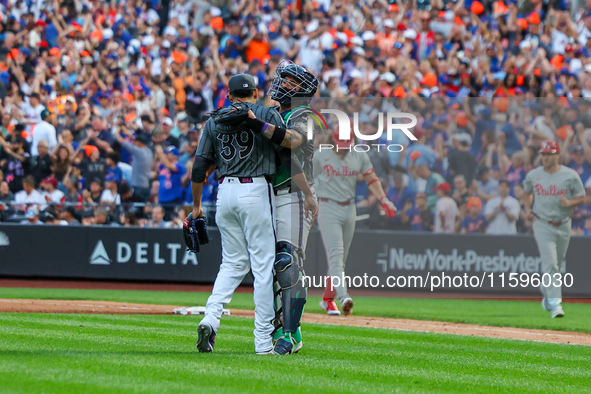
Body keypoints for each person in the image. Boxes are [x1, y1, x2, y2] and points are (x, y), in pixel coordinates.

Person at [193, 74, 287, 355]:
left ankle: (211, 317)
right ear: (255, 93)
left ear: (230, 95)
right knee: (262, 269)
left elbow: (199, 169)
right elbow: (287, 148)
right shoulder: (267, 113)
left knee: (232, 263)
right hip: (255, 189)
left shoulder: (214, 119)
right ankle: (261, 342)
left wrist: (197, 207)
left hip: (226, 193)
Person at [313, 129, 396, 317]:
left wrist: (384, 200)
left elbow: (371, 179)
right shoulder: (320, 155)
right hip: (327, 206)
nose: (343, 148)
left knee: (341, 260)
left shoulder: (358, 155)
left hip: (349, 208)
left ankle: (327, 300)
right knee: (336, 255)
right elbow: (306, 180)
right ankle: (344, 297)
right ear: (332, 140)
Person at [523, 140, 585, 319]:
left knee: (557, 264)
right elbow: (526, 192)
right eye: (543, 154)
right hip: (542, 223)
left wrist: (570, 202)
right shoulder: (534, 175)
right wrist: (528, 209)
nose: (545, 157)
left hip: (564, 222)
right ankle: (556, 305)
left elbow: (582, 197)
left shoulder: (570, 175)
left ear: (557, 155)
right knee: (550, 263)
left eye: (549, 154)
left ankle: (547, 293)